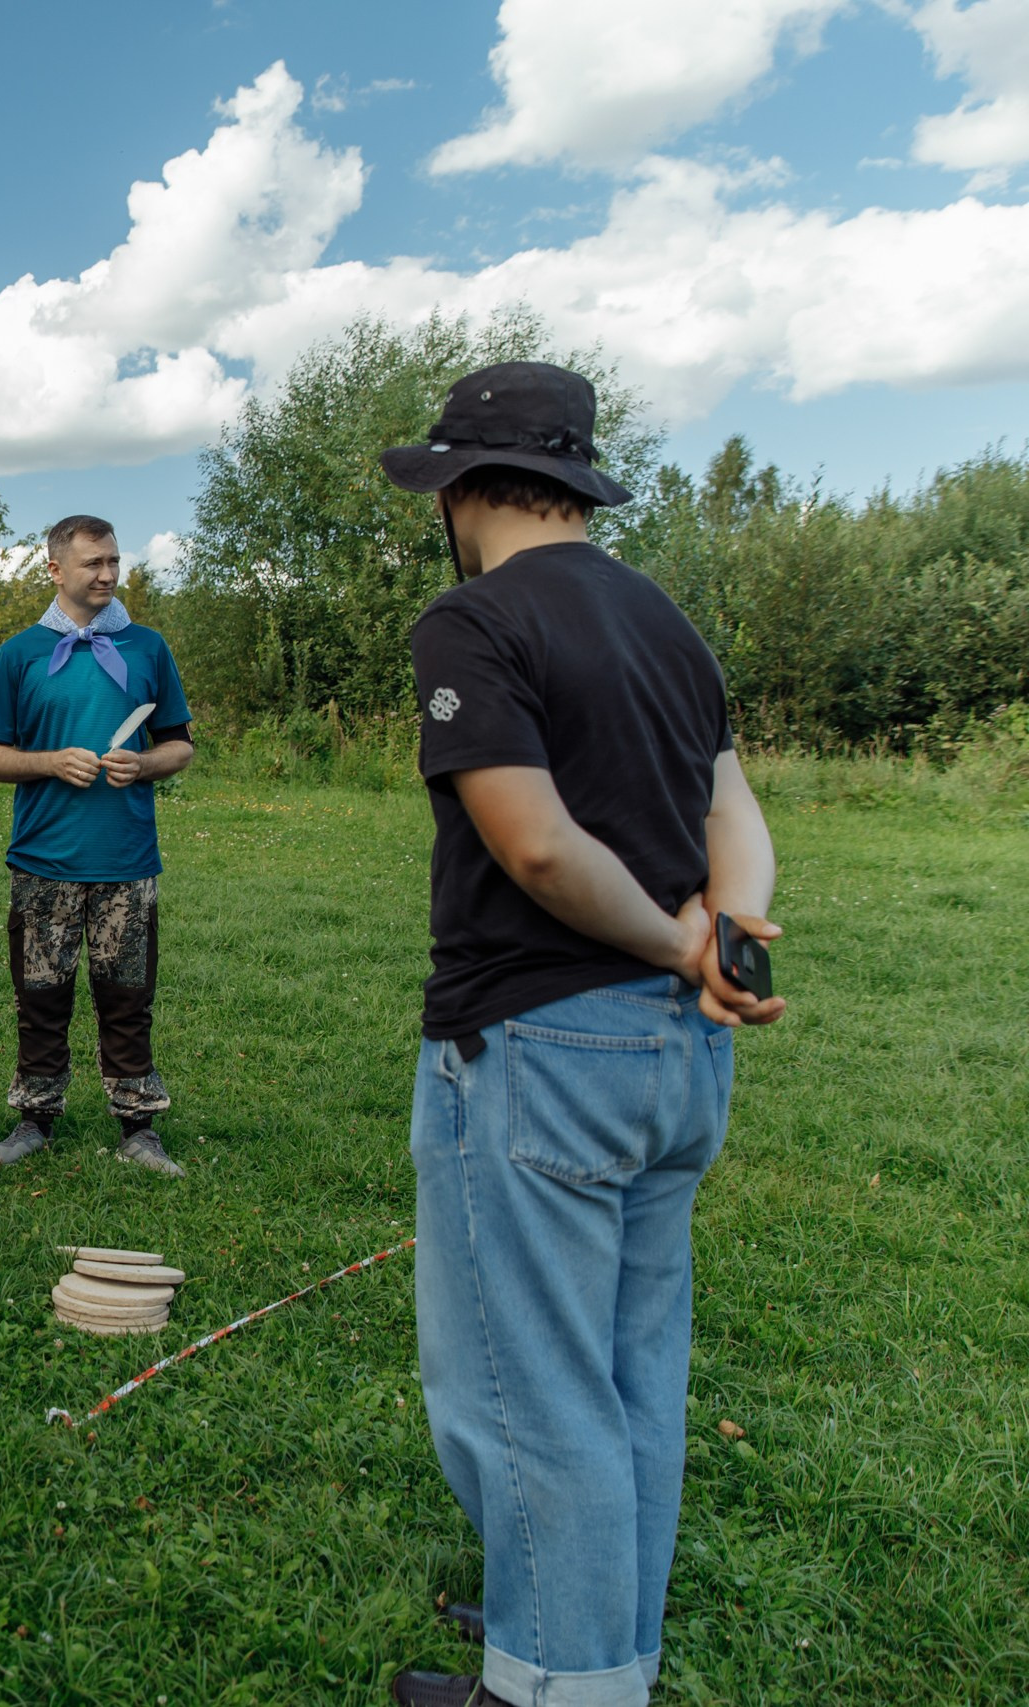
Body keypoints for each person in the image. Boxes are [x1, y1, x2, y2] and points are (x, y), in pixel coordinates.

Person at [377, 364, 786, 1707]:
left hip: (542, 1051)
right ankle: (601, 1647)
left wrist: (677, 937)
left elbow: (539, 846)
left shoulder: (473, 619)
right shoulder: (666, 620)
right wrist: (728, 939)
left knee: (526, 1390)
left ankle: (548, 1687)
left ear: (460, 488)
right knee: (628, 1375)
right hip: (678, 1061)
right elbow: (738, 816)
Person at [0, 515, 195, 1174]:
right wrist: (50, 762)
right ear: (55, 569)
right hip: (44, 859)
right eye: (93, 562)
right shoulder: (21, 654)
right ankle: (34, 1120)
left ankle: (138, 1129)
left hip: (126, 860)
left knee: (128, 998)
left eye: (114, 561)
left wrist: (145, 765)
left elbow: (180, 742)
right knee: (40, 997)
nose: (107, 574)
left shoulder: (148, 648)